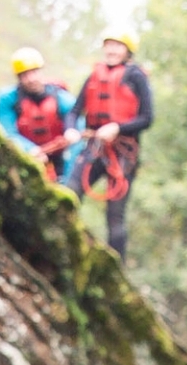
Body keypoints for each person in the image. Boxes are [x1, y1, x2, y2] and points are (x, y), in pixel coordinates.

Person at [74, 29, 155, 259]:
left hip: (123, 153)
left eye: (117, 46)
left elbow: (147, 117)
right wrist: (72, 129)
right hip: (95, 147)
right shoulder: (94, 75)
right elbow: (75, 111)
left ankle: (116, 268)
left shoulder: (136, 77)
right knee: (70, 191)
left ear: (127, 51)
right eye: (108, 45)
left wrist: (117, 128)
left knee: (115, 216)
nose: (111, 50)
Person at [0, 46, 75, 180]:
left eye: (34, 72)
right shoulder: (8, 99)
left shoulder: (60, 97)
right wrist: (29, 149)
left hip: (58, 158)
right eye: (25, 75)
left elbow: (74, 117)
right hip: (25, 156)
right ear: (18, 77)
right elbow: (7, 131)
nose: (31, 79)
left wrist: (71, 132)